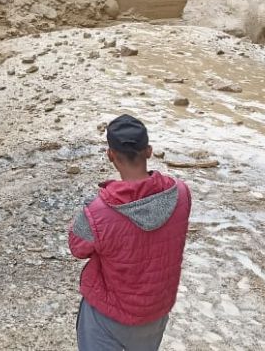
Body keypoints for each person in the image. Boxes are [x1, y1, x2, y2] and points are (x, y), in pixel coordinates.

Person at [69, 114, 192, 350]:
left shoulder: (98, 212)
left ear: (110, 155)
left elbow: (77, 247)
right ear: (149, 151)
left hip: (108, 315)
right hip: (156, 311)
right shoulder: (181, 194)